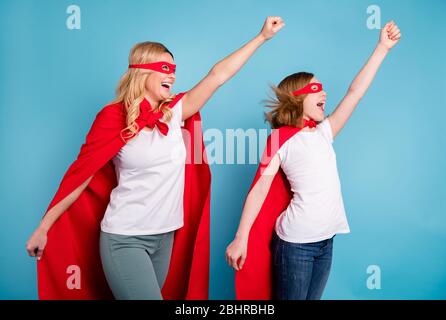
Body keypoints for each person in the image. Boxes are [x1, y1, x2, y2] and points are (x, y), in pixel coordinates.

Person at [26, 16, 285, 300]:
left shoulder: (174, 112)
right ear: (141, 72)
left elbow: (217, 76)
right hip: (125, 239)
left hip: (164, 237)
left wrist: (261, 38)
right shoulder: (113, 118)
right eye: (164, 69)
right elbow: (82, 173)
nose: (172, 75)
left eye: (173, 69)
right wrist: (44, 226)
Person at [226, 21, 401, 300]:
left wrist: (381, 48)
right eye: (316, 88)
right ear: (297, 98)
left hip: (326, 242)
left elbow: (355, 93)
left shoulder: (323, 132)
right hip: (296, 245)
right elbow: (259, 189)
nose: (324, 93)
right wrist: (240, 237)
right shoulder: (281, 140)